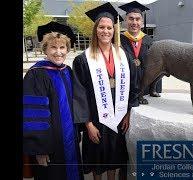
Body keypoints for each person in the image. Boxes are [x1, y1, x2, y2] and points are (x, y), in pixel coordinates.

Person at [73, 2, 136, 180]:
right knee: (97, 157)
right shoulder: (83, 60)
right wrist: (88, 124)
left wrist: (128, 112)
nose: (105, 31)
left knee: (115, 157)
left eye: (109, 27)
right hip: (96, 118)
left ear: (114, 30)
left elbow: (133, 86)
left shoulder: (124, 56)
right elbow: (79, 94)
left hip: (119, 116)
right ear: (95, 30)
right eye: (101, 27)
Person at [23, 21, 89, 180]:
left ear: (67, 49)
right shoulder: (36, 74)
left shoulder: (67, 71)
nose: (58, 52)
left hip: (70, 141)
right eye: (53, 47)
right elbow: (33, 115)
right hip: (50, 146)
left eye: (62, 47)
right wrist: (40, 149)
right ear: (45, 49)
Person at [119, 1, 162, 105]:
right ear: (125, 20)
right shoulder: (118, 40)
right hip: (124, 91)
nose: (134, 22)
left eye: (137, 19)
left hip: (145, 92)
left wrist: (155, 88)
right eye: (131, 18)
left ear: (142, 22)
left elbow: (157, 67)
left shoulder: (149, 41)